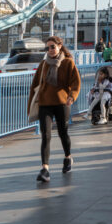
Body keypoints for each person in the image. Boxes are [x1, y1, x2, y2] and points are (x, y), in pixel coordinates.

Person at [28, 35, 81, 182]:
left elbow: (76, 82)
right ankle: (45, 169)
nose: (50, 50)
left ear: (59, 46)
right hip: (45, 103)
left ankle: (68, 157)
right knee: (46, 135)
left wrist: (72, 96)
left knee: (63, 132)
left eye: (53, 47)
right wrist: (31, 105)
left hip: (62, 103)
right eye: (48, 47)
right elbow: (34, 86)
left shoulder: (68, 63)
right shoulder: (44, 64)